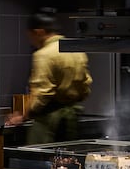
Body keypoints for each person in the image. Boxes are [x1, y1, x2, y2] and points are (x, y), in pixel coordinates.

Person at [6, 8, 92, 144]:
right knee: (67, 161)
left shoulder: (44, 55)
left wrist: (23, 116)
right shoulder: (75, 49)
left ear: (39, 32)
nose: (31, 41)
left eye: (31, 36)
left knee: (42, 161)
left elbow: (42, 94)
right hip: (72, 120)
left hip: (50, 123)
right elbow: (86, 84)